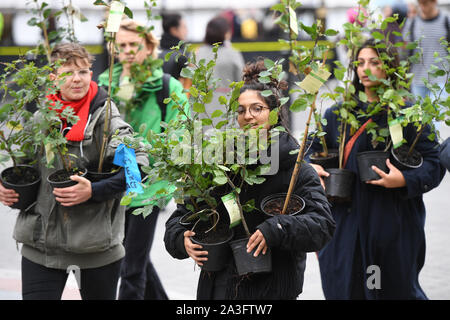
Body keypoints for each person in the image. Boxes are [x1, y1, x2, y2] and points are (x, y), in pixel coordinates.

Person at [164, 59, 336, 300]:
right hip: (220, 287)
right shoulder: (218, 164)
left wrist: (276, 228)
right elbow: (181, 216)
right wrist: (180, 240)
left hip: (273, 288)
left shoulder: (295, 168)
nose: (249, 116)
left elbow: (323, 225)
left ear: (274, 113)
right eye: (242, 110)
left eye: (257, 108)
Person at [0, 43, 145, 300]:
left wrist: (94, 190)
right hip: (40, 246)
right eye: (68, 72)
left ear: (92, 73)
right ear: (53, 77)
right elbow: (23, 170)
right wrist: (7, 188)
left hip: (97, 249)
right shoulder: (40, 118)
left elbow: (136, 171)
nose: (77, 79)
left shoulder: (106, 118)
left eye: (83, 71)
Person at [307, 39, 444, 299]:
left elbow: (434, 163)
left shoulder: (406, 113)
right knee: (345, 288)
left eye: (374, 62)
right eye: (360, 63)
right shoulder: (338, 114)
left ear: (388, 68)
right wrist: (311, 167)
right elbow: (309, 150)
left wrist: (404, 179)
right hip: (345, 225)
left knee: (385, 289)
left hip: (390, 224)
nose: (365, 68)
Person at [98, 19, 188, 300]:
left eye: (133, 45)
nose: (127, 51)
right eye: (120, 45)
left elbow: (179, 135)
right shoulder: (104, 84)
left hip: (149, 186)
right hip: (113, 183)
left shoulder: (166, 86)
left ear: (149, 47)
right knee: (134, 258)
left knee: (131, 266)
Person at [195, 15, 245, 128]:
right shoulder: (232, 54)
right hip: (227, 105)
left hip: (201, 107)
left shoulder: (198, 53)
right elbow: (242, 81)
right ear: (226, 33)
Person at [403, 0, 449, 100]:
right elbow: (405, 52)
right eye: (420, 3)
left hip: (441, 79)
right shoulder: (412, 23)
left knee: (437, 114)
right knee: (420, 114)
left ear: (434, 2)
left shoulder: (446, 20)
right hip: (418, 80)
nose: (422, 7)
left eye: (425, 3)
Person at [159, 12, 190, 89]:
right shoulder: (182, 56)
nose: (187, 31)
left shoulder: (154, 51)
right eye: (184, 27)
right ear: (174, 30)